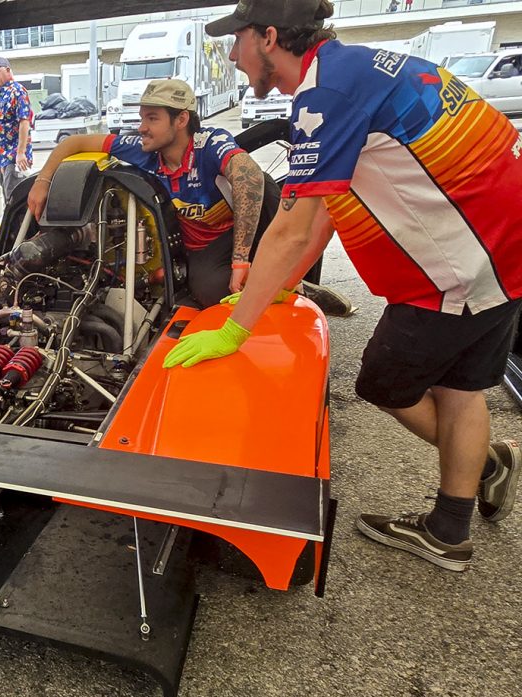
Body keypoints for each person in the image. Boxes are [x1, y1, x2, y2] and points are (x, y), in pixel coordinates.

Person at [168, 0, 522, 572]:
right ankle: (452, 525)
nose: (231, 56)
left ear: (270, 38)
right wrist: (279, 287)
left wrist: (237, 328)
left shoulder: (325, 93)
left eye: (237, 40)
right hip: (505, 243)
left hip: (466, 260)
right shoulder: (350, 70)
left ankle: (476, 473)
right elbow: (328, 205)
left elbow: (294, 224)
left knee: (385, 382)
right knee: (460, 386)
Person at [28, 79, 275, 308]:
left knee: (264, 184)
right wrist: (43, 181)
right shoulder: (142, 150)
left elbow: (250, 176)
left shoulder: (209, 142)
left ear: (181, 120)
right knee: (209, 291)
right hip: (201, 248)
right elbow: (73, 143)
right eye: (142, 118)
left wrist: (241, 260)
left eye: (152, 119)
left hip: (239, 230)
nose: (142, 127)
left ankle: (291, 280)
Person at [0, 57, 33, 200]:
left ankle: (18, 223)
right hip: (1, 154)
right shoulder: (0, 93)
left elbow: (24, 122)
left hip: (14, 155)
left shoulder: (18, 91)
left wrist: (21, 152)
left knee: (15, 198)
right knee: (7, 197)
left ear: (8, 70)